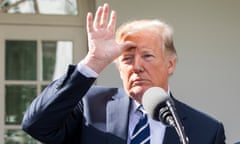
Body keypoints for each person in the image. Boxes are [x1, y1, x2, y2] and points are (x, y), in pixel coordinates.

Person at [22, 3, 226, 144]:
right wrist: (92, 62)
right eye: (127, 59)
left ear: (170, 64)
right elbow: (36, 125)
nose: (137, 66)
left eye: (147, 56)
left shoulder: (206, 130)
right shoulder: (90, 106)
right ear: (118, 66)